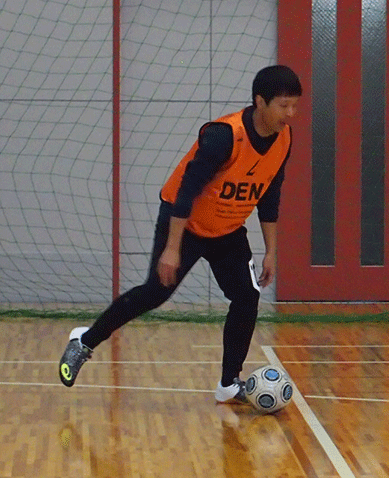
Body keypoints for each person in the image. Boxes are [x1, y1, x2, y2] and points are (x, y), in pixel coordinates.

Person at [59, 65, 302, 403]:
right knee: (155, 293)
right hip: (185, 225)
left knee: (247, 297)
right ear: (260, 102)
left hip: (228, 230)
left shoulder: (284, 140)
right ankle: (84, 341)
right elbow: (185, 192)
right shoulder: (224, 136)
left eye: (295, 106)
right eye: (283, 105)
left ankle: (229, 382)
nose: (290, 114)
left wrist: (271, 251)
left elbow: (270, 196)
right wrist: (172, 248)